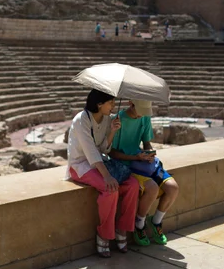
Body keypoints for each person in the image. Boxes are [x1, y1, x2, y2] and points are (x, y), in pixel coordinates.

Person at [67, 89, 140, 257]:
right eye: (111, 102)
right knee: (110, 188)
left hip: (99, 161)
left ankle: (122, 229)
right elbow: (90, 151)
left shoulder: (107, 119)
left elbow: (102, 149)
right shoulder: (81, 120)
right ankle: (104, 234)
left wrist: (112, 131)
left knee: (133, 185)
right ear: (99, 104)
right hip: (81, 165)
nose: (113, 106)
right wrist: (107, 176)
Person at [110, 99, 179, 246]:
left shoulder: (145, 117)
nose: (142, 116)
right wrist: (136, 157)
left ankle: (156, 222)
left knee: (173, 188)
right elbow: (113, 153)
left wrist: (149, 153)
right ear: (131, 104)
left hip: (143, 162)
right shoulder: (117, 120)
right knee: (152, 188)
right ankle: (139, 224)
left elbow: (146, 143)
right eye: (139, 112)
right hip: (128, 164)